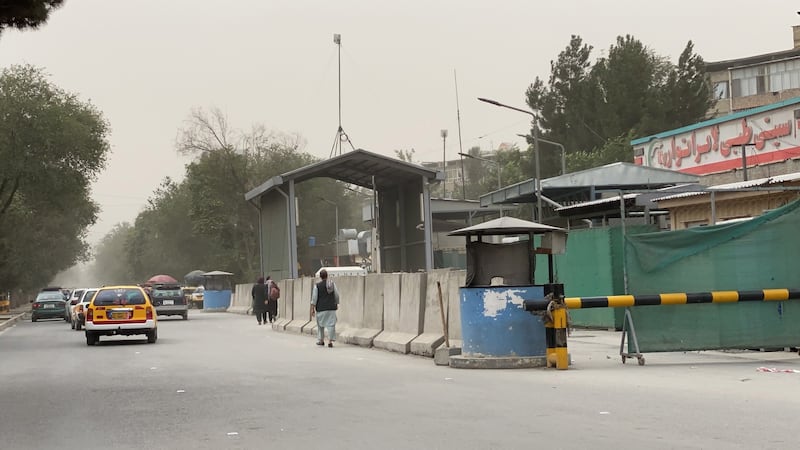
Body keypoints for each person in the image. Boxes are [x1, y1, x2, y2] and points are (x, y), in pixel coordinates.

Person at [310, 269, 339, 347]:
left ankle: (321, 340)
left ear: (320, 277)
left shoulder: (317, 286)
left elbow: (314, 298)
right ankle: (330, 341)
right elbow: (336, 295)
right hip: (331, 308)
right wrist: (336, 303)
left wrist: (312, 308)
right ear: (327, 275)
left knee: (320, 325)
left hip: (321, 308)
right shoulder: (332, 284)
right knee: (331, 325)